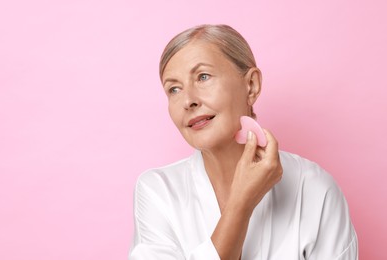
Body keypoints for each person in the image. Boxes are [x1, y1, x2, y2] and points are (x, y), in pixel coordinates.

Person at [129, 24, 358, 259]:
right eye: (174, 89)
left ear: (251, 85)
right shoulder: (157, 191)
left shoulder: (314, 189)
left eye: (203, 77)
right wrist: (241, 203)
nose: (188, 100)